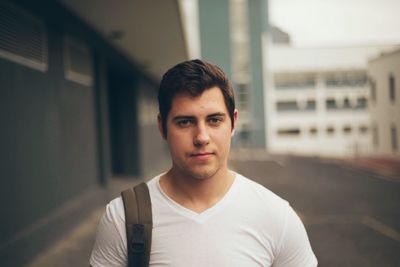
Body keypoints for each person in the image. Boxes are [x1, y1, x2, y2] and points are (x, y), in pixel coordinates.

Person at [90, 59, 317, 266]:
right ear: (162, 127)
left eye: (214, 120)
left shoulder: (276, 216)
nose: (201, 137)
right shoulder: (123, 218)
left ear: (233, 123)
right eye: (185, 122)